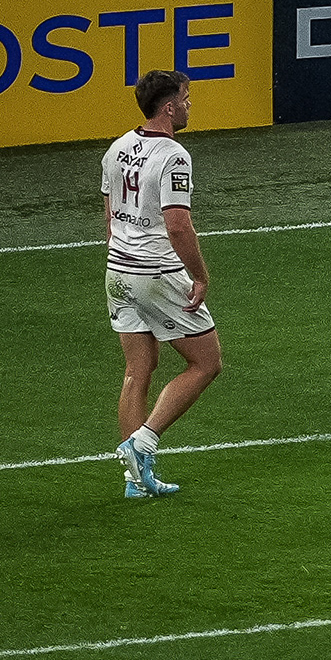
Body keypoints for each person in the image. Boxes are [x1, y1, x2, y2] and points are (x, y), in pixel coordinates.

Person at [101, 69, 219, 500]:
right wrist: (199, 275)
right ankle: (142, 443)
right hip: (157, 273)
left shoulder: (117, 147)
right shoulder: (173, 155)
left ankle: (136, 480)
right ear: (168, 108)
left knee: (138, 370)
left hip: (118, 271)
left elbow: (110, 217)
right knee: (206, 363)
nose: (189, 106)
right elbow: (178, 226)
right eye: (185, 99)